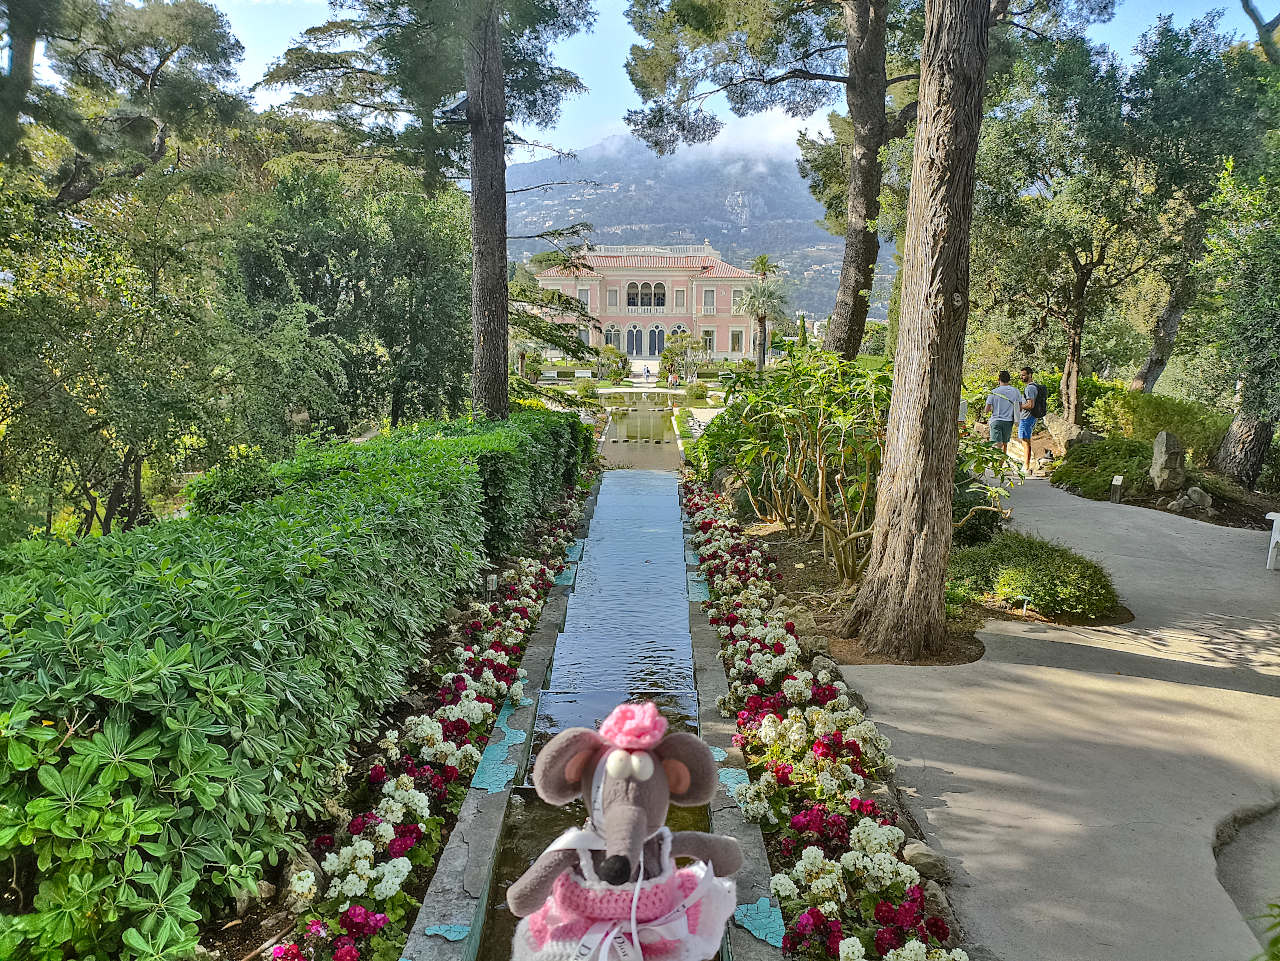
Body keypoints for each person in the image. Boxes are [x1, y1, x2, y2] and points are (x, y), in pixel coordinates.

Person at [983, 370, 1024, 453]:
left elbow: (986, 410)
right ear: (1009, 380)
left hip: (996, 421)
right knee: (1005, 444)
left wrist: (993, 409)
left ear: (999, 379)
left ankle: (995, 464)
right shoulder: (1016, 391)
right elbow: (1020, 407)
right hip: (1008, 421)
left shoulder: (994, 392)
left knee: (996, 445)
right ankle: (1001, 464)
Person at [1017, 366, 1048, 472]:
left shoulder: (1030, 388)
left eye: (1024, 375)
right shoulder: (1032, 387)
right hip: (1029, 417)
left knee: (1025, 441)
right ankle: (1026, 465)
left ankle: (1026, 466)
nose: (1022, 377)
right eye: (1021, 375)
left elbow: (1030, 405)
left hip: (1027, 417)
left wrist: (1019, 406)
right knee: (1025, 440)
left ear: (1030, 375)